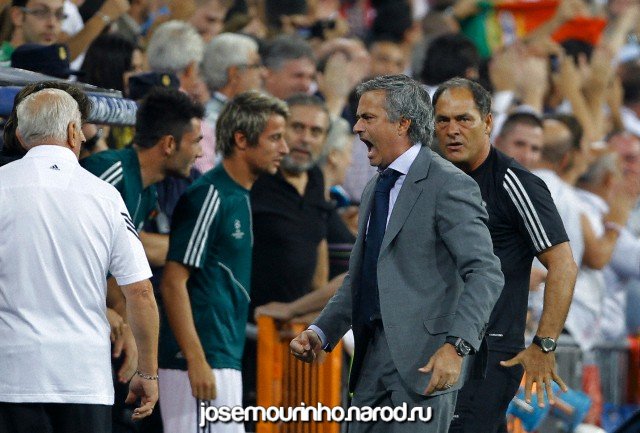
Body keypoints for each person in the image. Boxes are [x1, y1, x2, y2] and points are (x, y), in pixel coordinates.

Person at [290, 74, 504, 432]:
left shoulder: (449, 184)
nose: (357, 127)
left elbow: (485, 272)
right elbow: (362, 277)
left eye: (368, 117)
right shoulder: (376, 186)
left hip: (426, 361)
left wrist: (457, 346)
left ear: (402, 123)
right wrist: (322, 331)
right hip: (370, 357)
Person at [0, 88, 159, 433]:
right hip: (84, 379)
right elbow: (141, 292)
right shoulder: (106, 196)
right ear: (74, 132)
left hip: (11, 375)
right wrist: (147, 372)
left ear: (20, 135)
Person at [432, 78, 577, 433]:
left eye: (464, 119)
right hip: (437, 346)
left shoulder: (514, 182)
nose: (453, 130)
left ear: (487, 123)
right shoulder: (431, 178)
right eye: (443, 120)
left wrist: (544, 344)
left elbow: (562, 263)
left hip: (489, 352)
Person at [158, 90, 289, 433]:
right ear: (241, 140)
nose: (285, 148)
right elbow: (173, 281)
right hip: (199, 361)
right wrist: (195, 359)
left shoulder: (238, 195)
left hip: (222, 357)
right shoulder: (210, 194)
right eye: (275, 138)